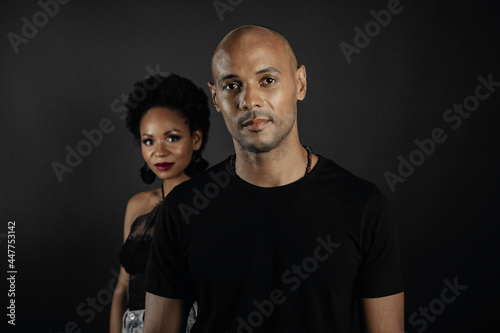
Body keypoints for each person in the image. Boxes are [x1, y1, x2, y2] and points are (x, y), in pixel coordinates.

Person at [144, 25, 404, 333]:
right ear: (215, 96)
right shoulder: (183, 209)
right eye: (232, 86)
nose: (250, 100)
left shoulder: (362, 207)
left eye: (267, 81)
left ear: (300, 83)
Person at [110, 73, 211, 333]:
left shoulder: (214, 205)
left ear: (196, 139)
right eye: (149, 141)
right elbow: (122, 288)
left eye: (173, 137)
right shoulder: (137, 206)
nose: (159, 151)